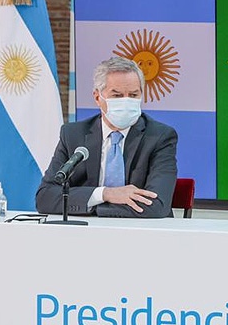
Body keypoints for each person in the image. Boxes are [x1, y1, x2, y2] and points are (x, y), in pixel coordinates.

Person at [36, 57, 177, 218]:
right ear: (98, 97)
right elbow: (45, 198)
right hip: (86, 231)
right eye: (117, 95)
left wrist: (92, 207)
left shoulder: (160, 137)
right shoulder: (73, 135)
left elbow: (156, 206)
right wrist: (105, 194)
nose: (126, 101)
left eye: (133, 95)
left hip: (141, 230)